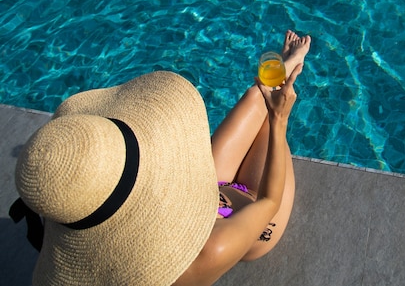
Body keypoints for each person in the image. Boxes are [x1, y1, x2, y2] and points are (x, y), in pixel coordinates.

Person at [11, 30, 311, 286]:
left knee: (256, 98)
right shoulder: (210, 251)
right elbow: (268, 203)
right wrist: (279, 120)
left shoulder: (80, 203)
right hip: (249, 215)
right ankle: (277, 88)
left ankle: (277, 79)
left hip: (203, 190)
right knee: (269, 120)